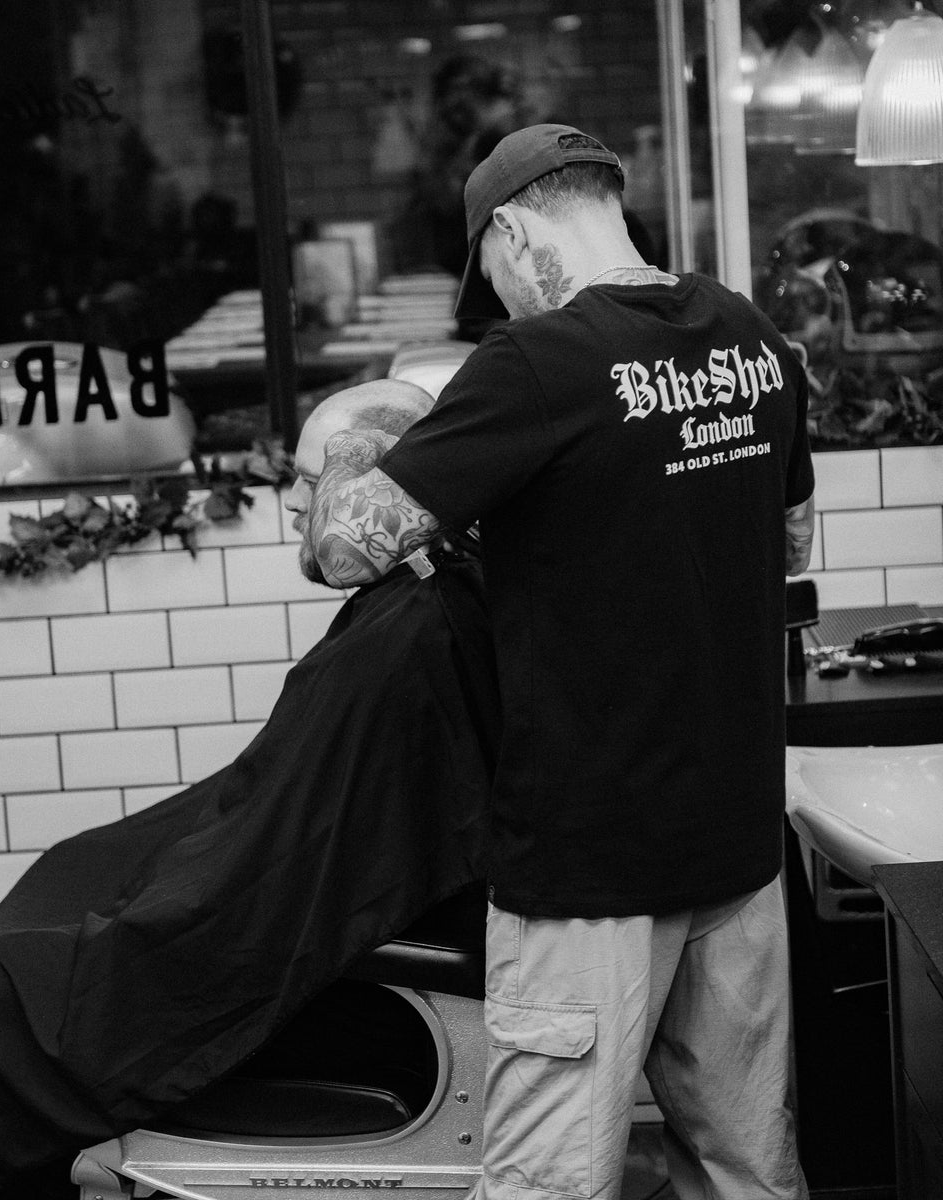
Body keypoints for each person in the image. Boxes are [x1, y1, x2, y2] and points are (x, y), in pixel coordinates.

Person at [307, 124, 817, 1200]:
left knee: (548, 1185)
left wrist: (357, 430)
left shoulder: (536, 363)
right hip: (737, 844)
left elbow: (342, 549)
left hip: (592, 864)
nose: (496, 297)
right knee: (748, 1172)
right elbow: (789, 542)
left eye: (489, 271)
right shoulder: (750, 335)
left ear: (512, 229)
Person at [0, 379, 500, 1200]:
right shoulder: (421, 599)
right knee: (58, 897)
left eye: (310, 479)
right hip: (293, 927)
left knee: (5, 992)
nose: (292, 502)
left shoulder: (415, 632)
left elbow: (285, 865)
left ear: (386, 484)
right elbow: (289, 817)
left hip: (341, 992)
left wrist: (157, 910)